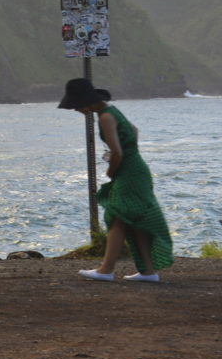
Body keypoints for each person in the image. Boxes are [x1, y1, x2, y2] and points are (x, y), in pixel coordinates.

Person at [58, 77, 173, 282]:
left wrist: (111, 169)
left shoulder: (105, 117)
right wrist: (130, 152)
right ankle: (148, 272)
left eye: (75, 103)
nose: (74, 109)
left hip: (129, 173)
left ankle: (106, 270)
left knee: (119, 217)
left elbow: (117, 152)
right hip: (136, 168)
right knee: (133, 219)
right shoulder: (112, 111)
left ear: (86, 100)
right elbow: (134, 130)